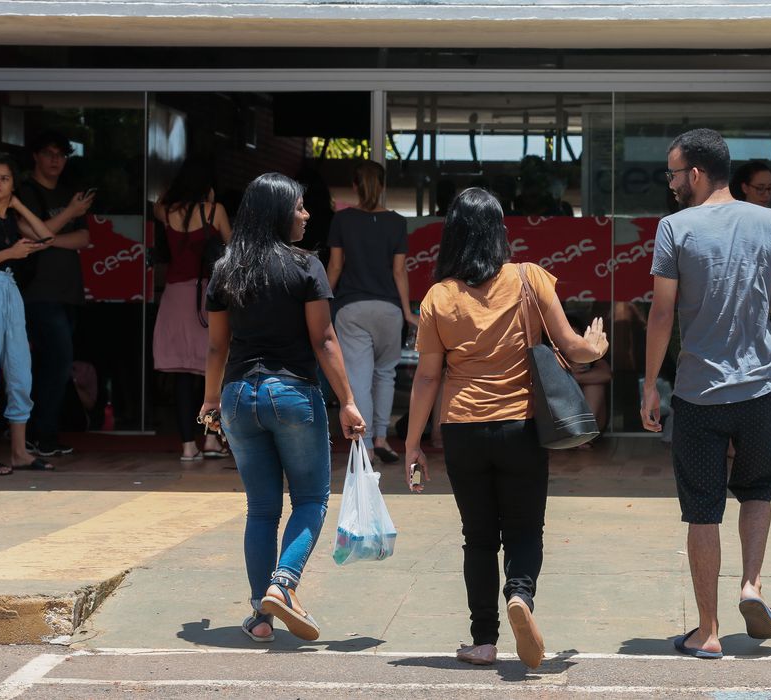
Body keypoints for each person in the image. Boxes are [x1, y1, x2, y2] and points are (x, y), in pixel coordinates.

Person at [403, 187, 608, 668]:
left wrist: (413, 443)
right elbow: (572, 347)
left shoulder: (438, 296)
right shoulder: (529, 278)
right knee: (524, 528)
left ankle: (483, 640)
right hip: (521, 427)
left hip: (462, 430)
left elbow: (428, 376)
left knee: (477, 536)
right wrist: (595, 346)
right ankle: (520, 596)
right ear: (498, 231)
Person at [641, 128, 771, 659]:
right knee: (757, 490)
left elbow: (663, 313)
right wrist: (758, 304)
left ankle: (709, 632)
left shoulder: (675, 230)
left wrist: (650, 384)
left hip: (699, 392)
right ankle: (752, 586)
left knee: (703, 509)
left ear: (694, 174)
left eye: (672, 173)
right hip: (762, 387)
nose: (670, 183)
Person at [201, 173, 366, 643]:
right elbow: (324, 339)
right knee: (311, 499)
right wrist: (349, 403)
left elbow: (217, 347)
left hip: (237, 397)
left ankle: (259, 617)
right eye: (299, 206)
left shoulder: (225, 268)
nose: (307, 214)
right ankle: (284, 584)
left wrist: (212, 400)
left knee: (261, 509)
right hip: (291, 393)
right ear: (278, 212)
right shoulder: (304, 266)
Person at [326, 160, 417, 464]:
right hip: (389, 309)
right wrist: (407, 312)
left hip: (351, 308)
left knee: (359, 380)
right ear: (383, 186)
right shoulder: (396, 222)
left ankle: (363, 445)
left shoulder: (342, 220)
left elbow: (336, 267)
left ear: (354, 186)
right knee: (386, 375)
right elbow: (399, 271)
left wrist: (321, 301)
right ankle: (381, 438)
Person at [0, 156, 62, 475]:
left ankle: (18, 451)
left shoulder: (12, 219)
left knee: (19, 369)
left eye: (4, 179)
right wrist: (10, 253)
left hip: (9, 289)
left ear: (14, 185)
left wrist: (19, 206)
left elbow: (47, 238)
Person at [16, 130, 95, 458]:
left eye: (61, 155)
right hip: (38, 292)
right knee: (57, 362)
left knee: (53, 365)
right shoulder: (25, 191)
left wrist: (48, 237)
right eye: (48, 153)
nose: (55, 161)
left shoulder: (67, 194)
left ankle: (43, 432)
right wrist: (65, 220)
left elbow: (84, 238)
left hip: (68, 292)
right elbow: (29, 230)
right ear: (35, 155)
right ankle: (39, 434)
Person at [153, 160, 232, 461]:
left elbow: (158, 201)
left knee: (182, 374)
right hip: (206, 296)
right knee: (211, 369)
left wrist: (174, 192)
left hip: (174, 296)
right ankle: (211, 438)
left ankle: (188, 445)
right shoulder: (215, 211)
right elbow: (234, 248)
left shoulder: (167, 212)